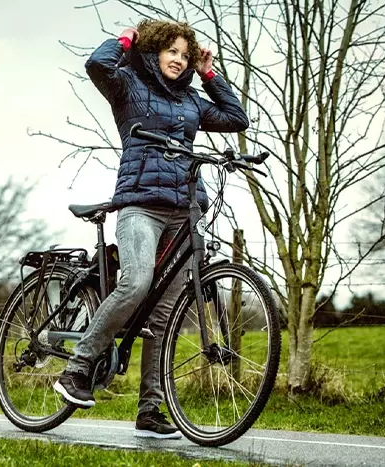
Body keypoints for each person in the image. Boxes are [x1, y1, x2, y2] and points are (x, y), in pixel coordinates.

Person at [53, 19, 249, 439]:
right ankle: (78, 367)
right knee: (137, 282)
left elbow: (236, 118)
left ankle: (150, 409)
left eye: (185, 54)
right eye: (171, 52)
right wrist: (127, 40)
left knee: (164, 315)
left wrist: (210, 73)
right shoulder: (128, 86)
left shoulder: (193, 102)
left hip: (184, 208)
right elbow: (96, 65)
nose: (178, 60)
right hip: (140, 205)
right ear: (155, 51)